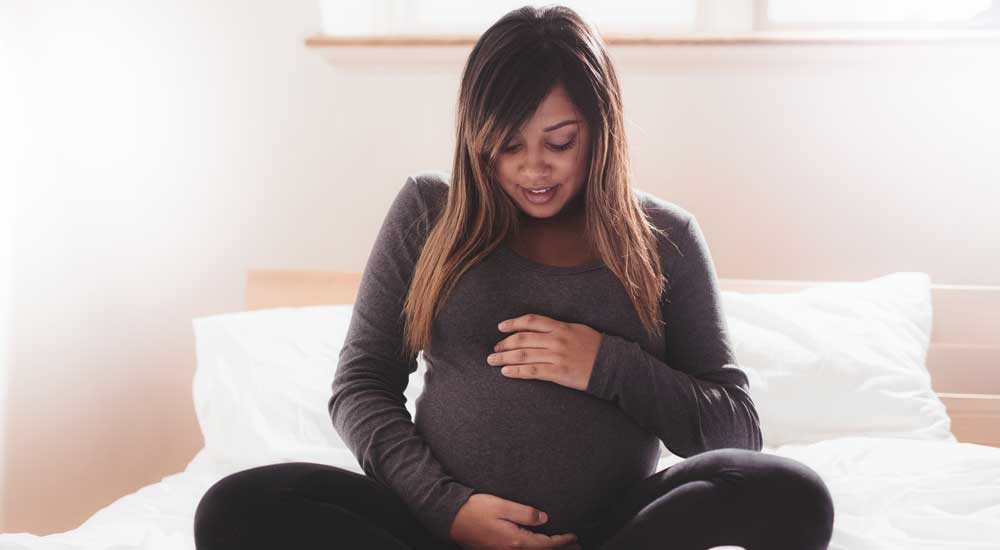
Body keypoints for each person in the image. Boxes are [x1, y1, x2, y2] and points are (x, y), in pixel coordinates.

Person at [193, 5, 835, 550]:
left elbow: (736, 429)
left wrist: (606, 365)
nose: (534, 169)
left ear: (601, 132)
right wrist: (448, 508)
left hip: (612, 534)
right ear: (476, 138)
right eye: (507, 145)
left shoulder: (665, 237)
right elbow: (361, 387)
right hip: (441, 529)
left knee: (790, 492)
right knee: (237, 506)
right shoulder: (428, 213)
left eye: (559, 141)